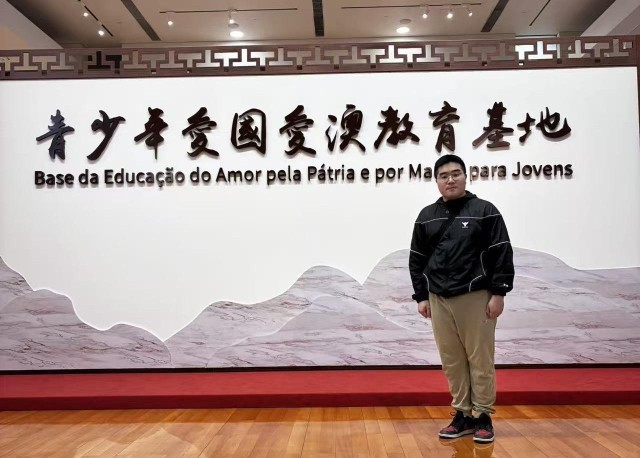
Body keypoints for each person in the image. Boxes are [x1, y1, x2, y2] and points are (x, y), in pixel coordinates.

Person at [409, 154, 514, 443]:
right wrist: (421, 296)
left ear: (466, 177)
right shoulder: (426, 216)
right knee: (451, 360)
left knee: (480, 358)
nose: (450, 179)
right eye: (444, 176)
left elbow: (501, 252)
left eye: (456, 174)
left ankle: (482, 416)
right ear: (436, 181)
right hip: (438, 298)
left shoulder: (485, 211)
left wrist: (499, 292)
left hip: (476, 295)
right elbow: (417, 260)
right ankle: (462, 414)